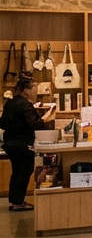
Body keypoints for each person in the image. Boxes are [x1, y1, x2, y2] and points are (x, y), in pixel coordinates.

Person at [1, 76, 55, 211]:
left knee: (17, 172)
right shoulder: (25, 105)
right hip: (22, 144)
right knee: (24, 171)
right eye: (34, 89)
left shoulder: (10, 103)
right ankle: (18, 202)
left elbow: (2, 123)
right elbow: (35, 124)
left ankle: (15, 201)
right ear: (26, 90)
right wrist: (46, 118)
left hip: (9, 143)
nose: (35, 92)